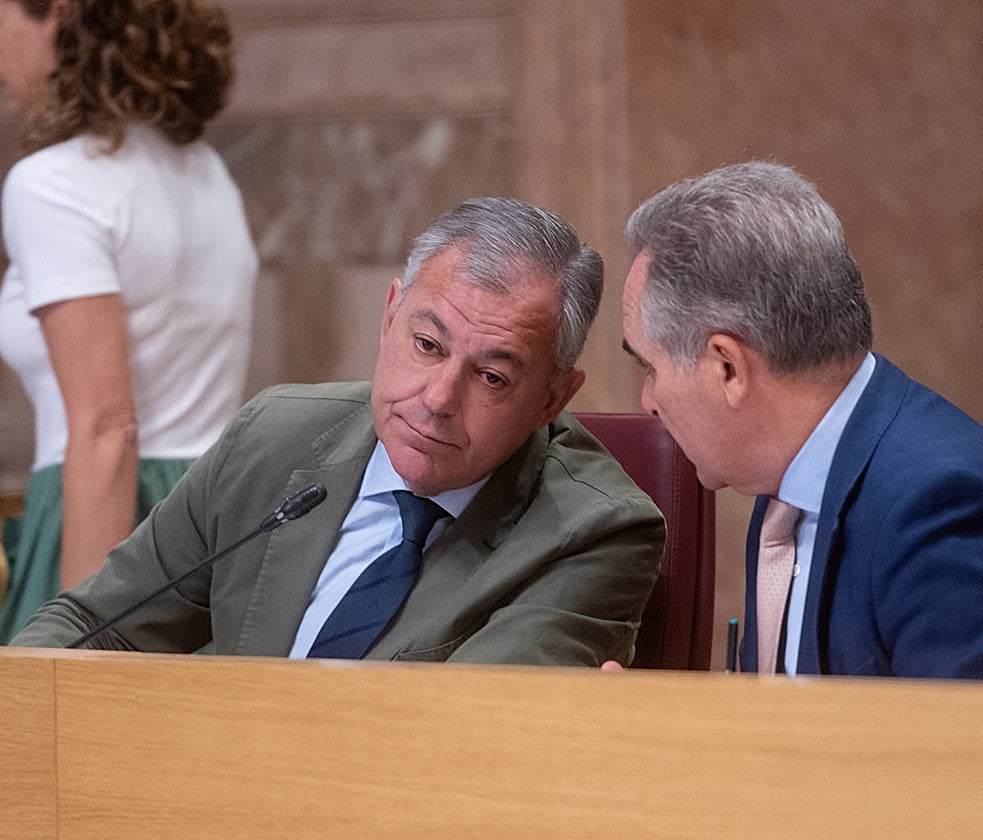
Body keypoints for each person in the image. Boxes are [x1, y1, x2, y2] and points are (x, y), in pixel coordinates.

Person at [11, 196, 665, 666]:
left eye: (491, 377)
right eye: (427, 345)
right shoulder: (276, 435)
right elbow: (95, 624)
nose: (437, 399)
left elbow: (465, 739)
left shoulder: (593, 532)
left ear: (554, 397)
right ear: (388, 318)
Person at [615, 161, 983, 681]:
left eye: (650, 367)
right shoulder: (785, 482)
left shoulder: (945, 513)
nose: (648, 400)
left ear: (728, 366)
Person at [0, 0, 257, 641]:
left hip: (105, 517)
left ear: (56, 15)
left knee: (67, 730)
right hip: (212, 520)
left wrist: (79, 641)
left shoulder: (53, 184)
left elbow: (108, 430)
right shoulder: (205, 170)